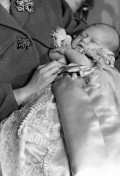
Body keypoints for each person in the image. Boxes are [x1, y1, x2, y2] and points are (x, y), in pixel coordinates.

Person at [0, 0, 87, 175]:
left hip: (75, 132)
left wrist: (77, 59)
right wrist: (26, 91)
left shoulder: (51, 3)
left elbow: (99, 42)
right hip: (13, 147)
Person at [52, 23, 120, 176]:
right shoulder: (76, 47)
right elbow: (54, 56)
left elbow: (83, 64)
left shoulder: (96, 55)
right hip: (76, 90)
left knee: (99, 126)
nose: (84, 41)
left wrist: (66, 51)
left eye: (93, 41)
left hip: (94, 88)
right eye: (83, 35)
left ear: (103, 49)